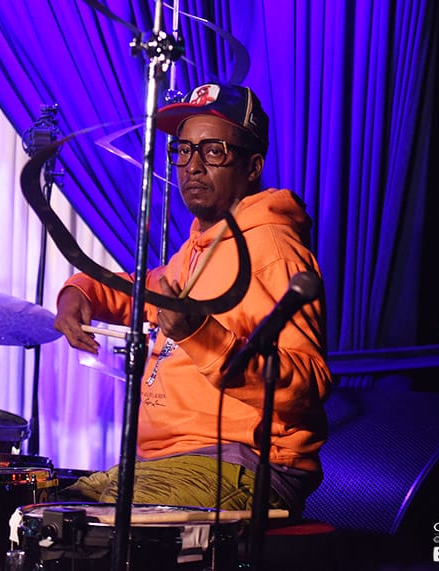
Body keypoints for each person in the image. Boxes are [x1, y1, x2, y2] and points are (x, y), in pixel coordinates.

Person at [53, 83, 331, 518]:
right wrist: (81, 290)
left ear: (253, 166)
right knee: (47, 509)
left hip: (242, 462)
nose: (192, 166)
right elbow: (147, 289)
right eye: (183, 150)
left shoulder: (272, 249)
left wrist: (199, 334)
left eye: (213, 151)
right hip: (170, 462)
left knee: (93, 533)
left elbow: (308, 387)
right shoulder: (203, 244)